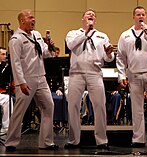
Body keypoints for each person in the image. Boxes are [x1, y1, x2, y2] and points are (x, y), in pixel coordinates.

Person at [5, 9, 59, 151]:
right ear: (22, 20)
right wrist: (21, 82)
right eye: (30, 17)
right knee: (20, 111)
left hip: (41, 77)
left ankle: (46, 142)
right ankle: (11, 142)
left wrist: (51, 47)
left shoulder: (36, 35)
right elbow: (15, 63)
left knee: (49, 106)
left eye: (33, 17)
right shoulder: (16, 39)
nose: (33, 20)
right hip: (26, 79)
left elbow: (45, 54)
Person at [64, 8, 114, 150]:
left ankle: (101, 140)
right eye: (88, 15)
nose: (91, 16)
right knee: (73, 105)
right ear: (83, 19)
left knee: (99, 105)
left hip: (95, 72)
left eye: (93, 15)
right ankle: (74, 140)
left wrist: (109, 54)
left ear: (95, 20)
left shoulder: (102, 36)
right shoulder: (73, 33)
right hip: (76, 73)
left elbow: (107, 57)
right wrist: (86, 32)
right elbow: (71, 46)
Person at [116, 6, 147, 148]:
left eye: (143, 14)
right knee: (136, 109)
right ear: (133, 17)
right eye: (138, 14)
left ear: (146, 16)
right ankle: (138, 138)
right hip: (134, 74)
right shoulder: (125, 35)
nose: (140, 16)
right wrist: (121, 75)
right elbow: (120, 57)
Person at [0, 47, 14, 135]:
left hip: (2, 91)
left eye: (5, 54)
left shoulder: (6, 66)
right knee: (7, 99)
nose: (5, 56)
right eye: (2, 54)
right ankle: (6, 127)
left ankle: (7, 127)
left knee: (8, 99)